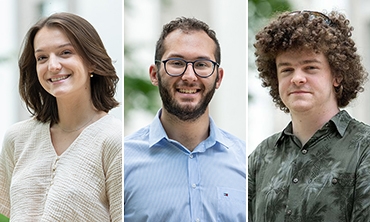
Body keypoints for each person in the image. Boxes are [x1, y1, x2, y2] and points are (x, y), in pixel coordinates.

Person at [249, 9, 370, 221]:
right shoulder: (260, 156)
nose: (297, 78)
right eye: (286, 70)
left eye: (310, 67)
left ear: (337, 76)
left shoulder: (365, 148)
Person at [0, 12, 122, 221]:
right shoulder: (17, 138)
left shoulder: (114, 140)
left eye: (65, 52)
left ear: (92, 61)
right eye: (42, 58)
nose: (53, 66)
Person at [124, 17, 246, 221]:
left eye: (202, 64)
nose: (189, 76)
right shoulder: (123, 161)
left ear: (219, 77)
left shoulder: (245, 163)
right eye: (177, 63)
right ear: (154, 74)